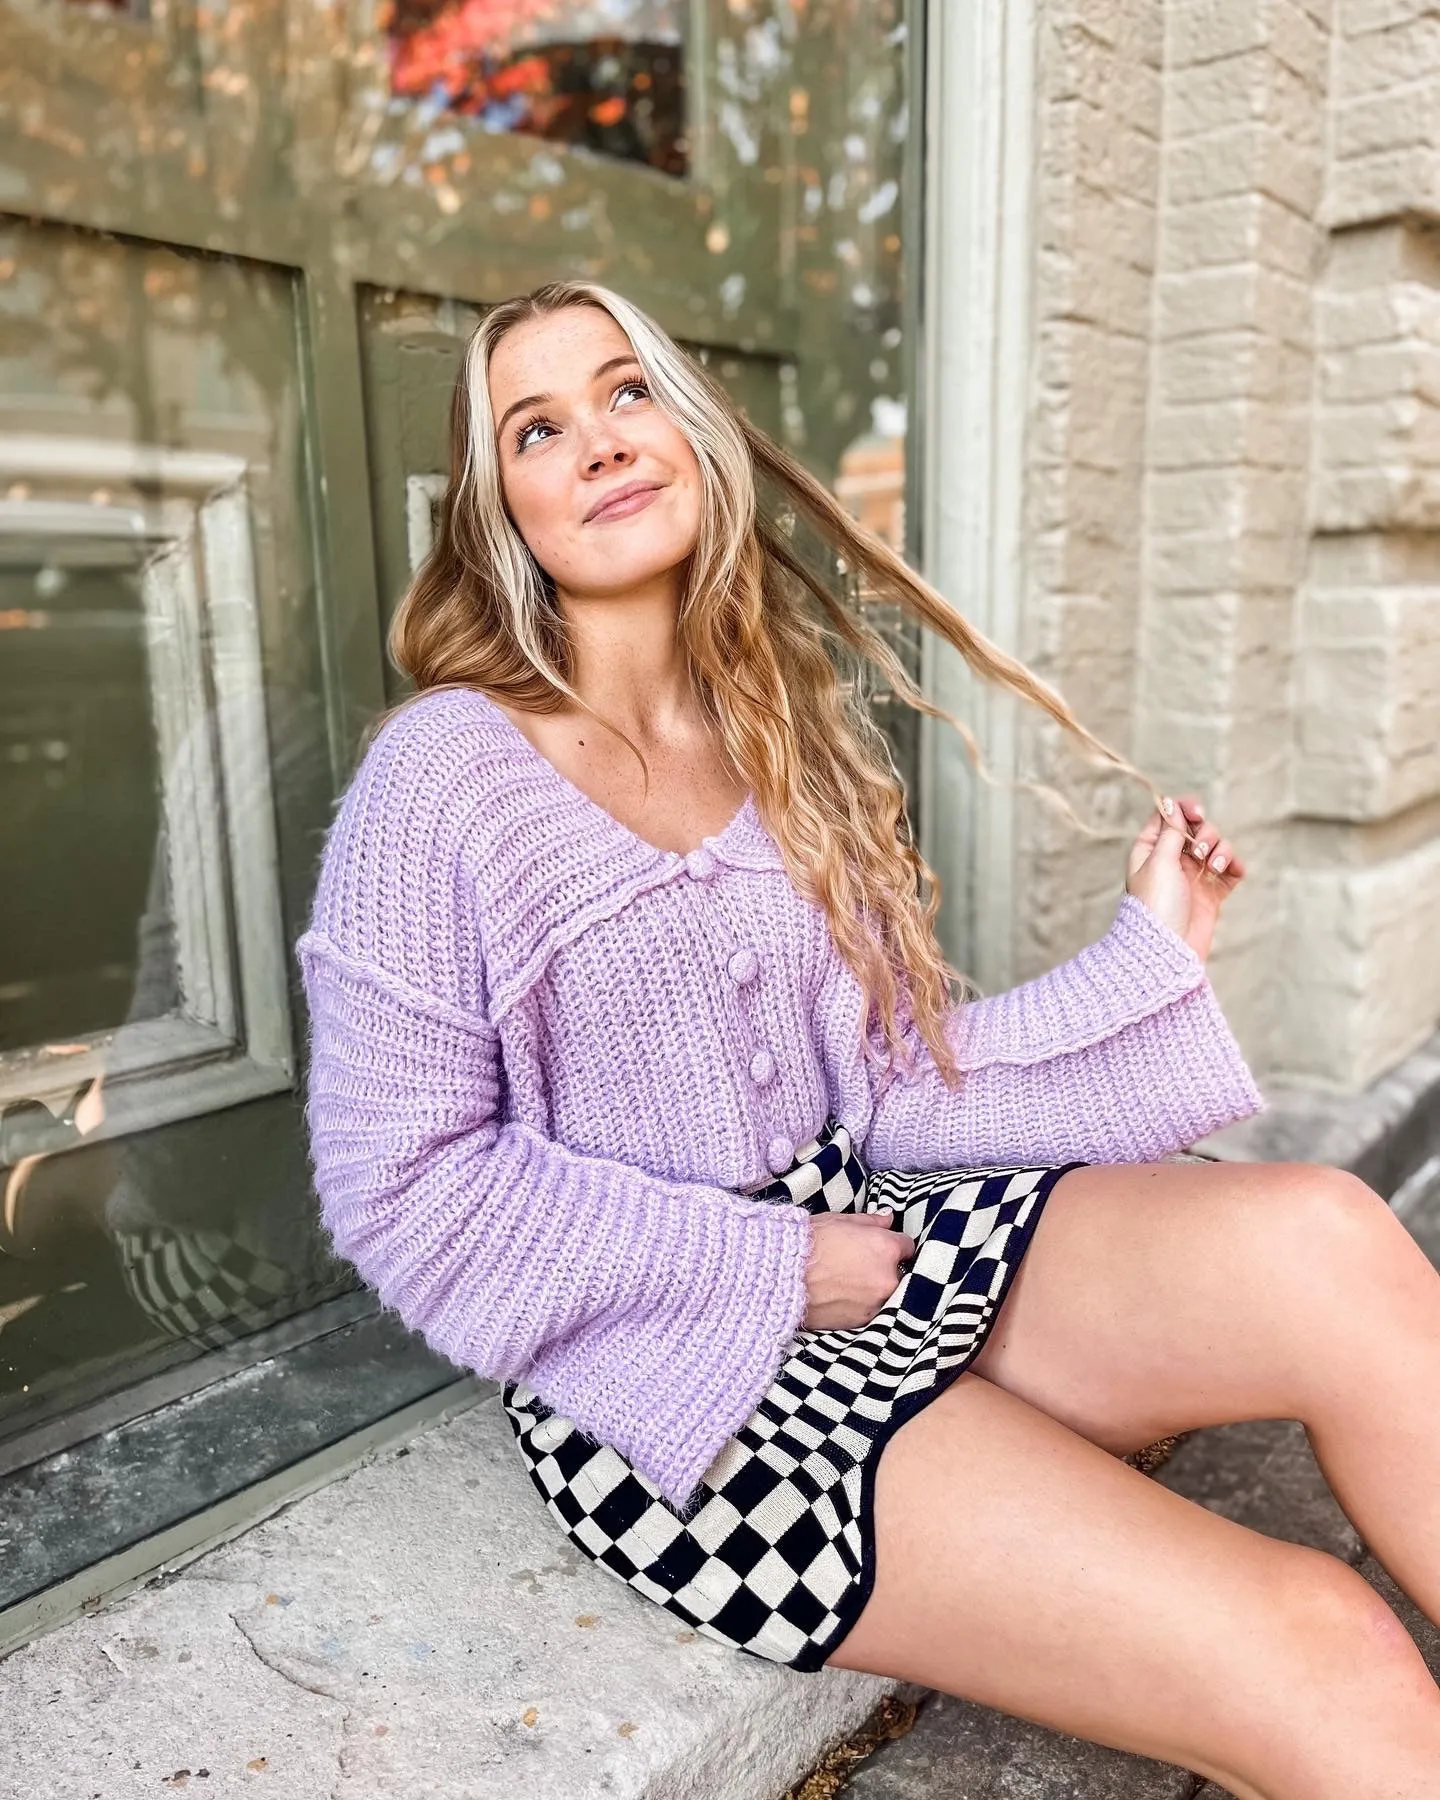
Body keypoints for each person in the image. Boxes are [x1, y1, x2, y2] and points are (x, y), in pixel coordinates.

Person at [296, 280, 1440, 1798]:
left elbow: (894, 1090)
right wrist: (777, 1268)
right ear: (499, 509)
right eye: (538, 427)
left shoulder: (770, 736)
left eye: (628, 392)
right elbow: (408, 1190)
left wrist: (1149, 956)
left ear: (693, 434)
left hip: (878, 1238)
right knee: (1324, 1646)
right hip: (682, 1378)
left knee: (1322, 1231)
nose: (598, 443)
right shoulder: (441, 780)